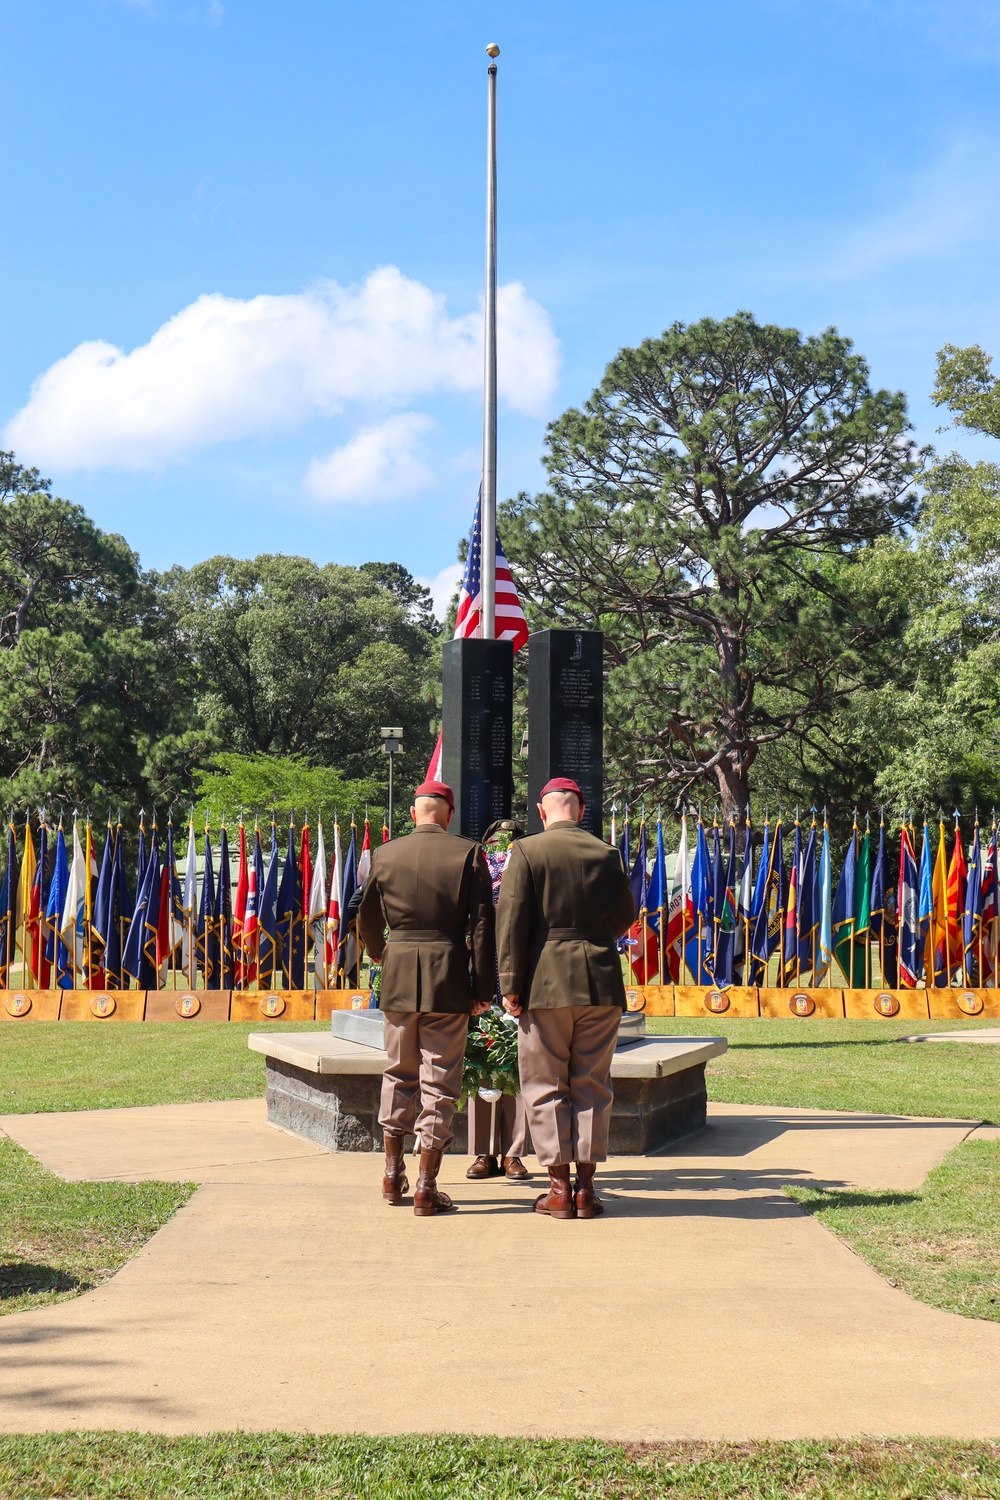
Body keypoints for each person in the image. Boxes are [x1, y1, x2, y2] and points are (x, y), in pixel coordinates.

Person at [496, 778, 635, 1219]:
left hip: (544, 981)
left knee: (544, 1084)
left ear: (542, 811)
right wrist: (593, 941)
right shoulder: (606, 853)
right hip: (599, 980)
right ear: (581, 809)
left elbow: (511, 919)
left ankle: (558, 1190)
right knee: (592, 1085)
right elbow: (625, 914)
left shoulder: (527, 852)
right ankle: (586, 1191)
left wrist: (510, 984)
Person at [357, 780, 495, 1217]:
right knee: (439, 1081)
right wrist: (482, 989)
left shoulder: (386, 854)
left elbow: (366, 915)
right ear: (448, 814)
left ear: (414, 814)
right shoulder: (468, 853)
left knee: (398, 1072)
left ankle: (390, 1174)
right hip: (447, 977)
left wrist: (382, 952)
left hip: (398, 973)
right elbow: (482, 926)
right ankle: (425, 1185)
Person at [466, 818, 530, 1182]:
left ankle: (514, 1154)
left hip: (517, 985)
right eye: (497, 842)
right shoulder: (475, 872)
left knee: (516, 1068)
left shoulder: (527, 872)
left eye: (509, 842)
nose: (502, 848)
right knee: (478, 1063)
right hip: (480, 983)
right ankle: (482, 1152)